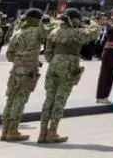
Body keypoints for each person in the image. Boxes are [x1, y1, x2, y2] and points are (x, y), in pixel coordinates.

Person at [39, 9, 99, 144]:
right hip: (69, 66)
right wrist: (89, 21)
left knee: (49, 99)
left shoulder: (54, 32)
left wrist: (55, 60)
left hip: (53, 65)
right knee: (60, 99)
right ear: (74, 19)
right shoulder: (76, 32)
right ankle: (52, 132)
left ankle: (42, 132)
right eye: (78, 19)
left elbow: (47, 52)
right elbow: (95, 31)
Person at [0, 8, 48, 142]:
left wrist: (19, 60)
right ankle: (13, 130)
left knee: (10, 99)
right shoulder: (38, 30)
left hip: (15, 70)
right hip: (28, 71)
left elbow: (9, 54)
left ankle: (4, 130)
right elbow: (50, 32)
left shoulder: (18, 32)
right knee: (20, 100)